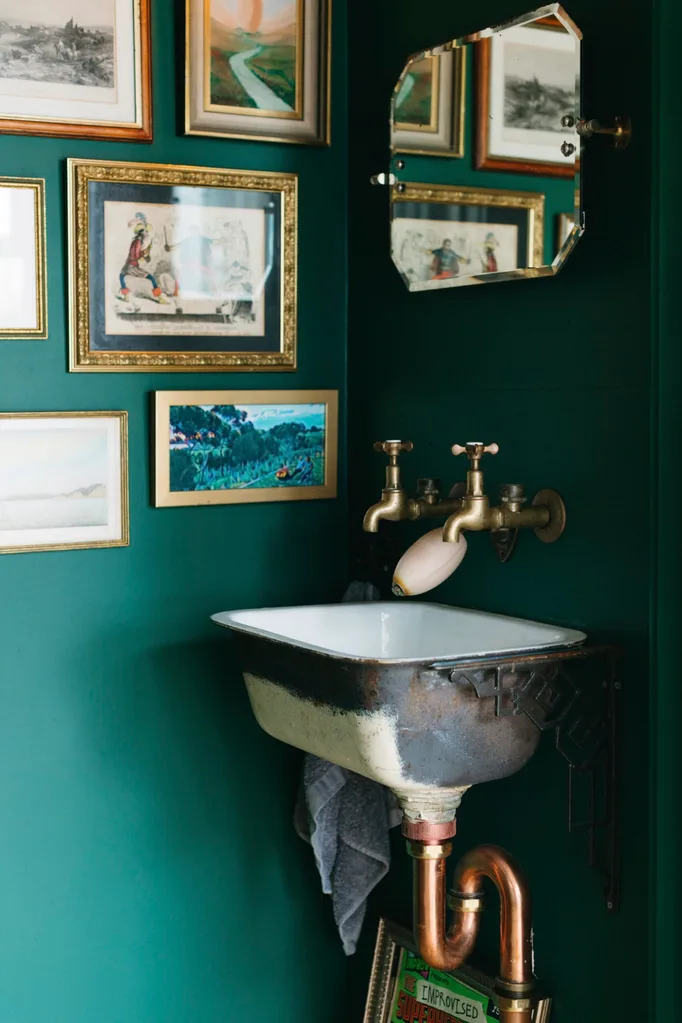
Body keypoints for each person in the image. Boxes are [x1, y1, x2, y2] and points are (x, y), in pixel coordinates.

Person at [118, 213, 167, 304]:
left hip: (128, 265)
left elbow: (137, 253)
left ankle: (126, 296)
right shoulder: (137, 242)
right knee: (151, 278)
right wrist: (143, 257)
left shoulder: (138, 241)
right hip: (132, 266)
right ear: (141, 232)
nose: (146, 233)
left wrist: (144, 255)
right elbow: (135, 255)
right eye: (145, 232)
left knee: (121, 276)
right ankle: (160, 298)